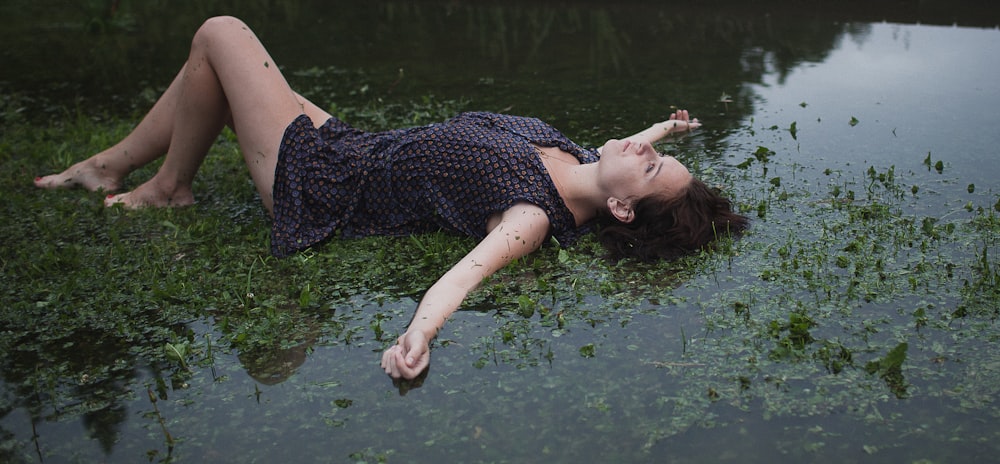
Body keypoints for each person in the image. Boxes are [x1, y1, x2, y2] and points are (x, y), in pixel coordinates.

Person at [34, 16, 747, 381]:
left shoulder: (532, 214)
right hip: (351, 146)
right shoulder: (581, 156)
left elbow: (465, 274)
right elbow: (629, 146)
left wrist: (419, 336)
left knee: (222, 34)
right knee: (214, 69)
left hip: (319, 188)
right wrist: (667, 128)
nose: (647, 152)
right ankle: (106, 167)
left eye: (653, 167)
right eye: (658, 152)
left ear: (622, 210)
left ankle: (167, 188)